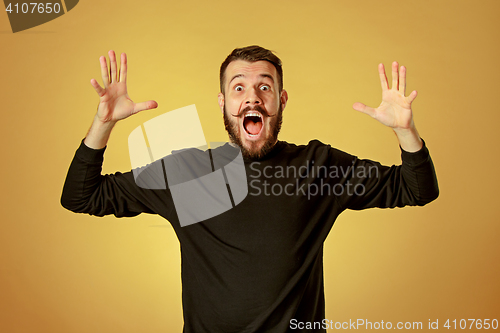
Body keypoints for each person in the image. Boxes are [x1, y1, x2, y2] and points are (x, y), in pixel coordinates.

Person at [61, 45, 439, 332]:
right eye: (239, 88)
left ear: (280, 100)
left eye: (264, 86)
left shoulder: (318, 168)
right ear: (224, 104)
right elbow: (81, 195)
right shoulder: (188, 172)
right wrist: (103, 124)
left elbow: (416, 189)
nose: (252, 97)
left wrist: (405, 130)